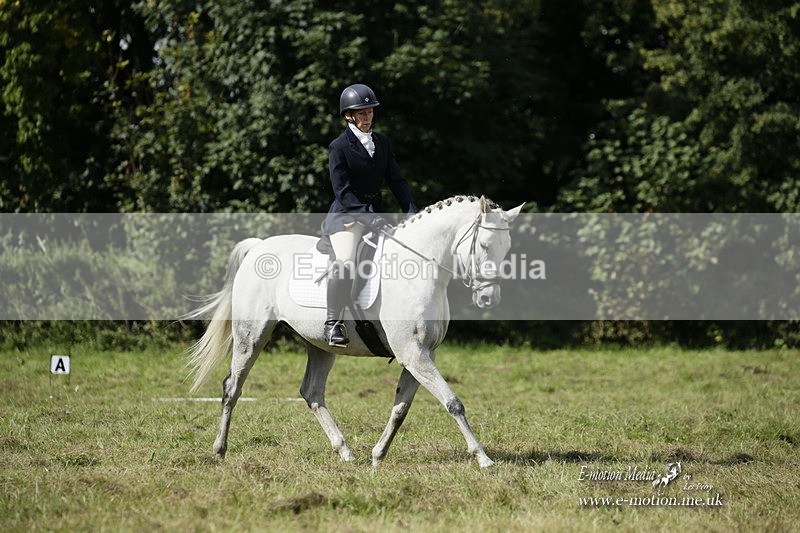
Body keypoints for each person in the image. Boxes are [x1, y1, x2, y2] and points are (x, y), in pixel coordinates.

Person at [321, 83, 418, 347]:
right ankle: (332, 323)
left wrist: (411, 211)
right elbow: (343, 191)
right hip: (347, 217)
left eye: (370, 112)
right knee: (346, 261)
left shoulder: (382, 143)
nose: (367, 117)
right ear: (348, 116)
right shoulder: (339, 147)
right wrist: (366, 215)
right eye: (361, 113)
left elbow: (396, 180)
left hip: (377, 215)